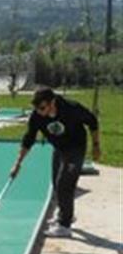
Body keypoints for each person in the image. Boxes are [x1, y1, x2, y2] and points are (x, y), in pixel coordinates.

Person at [10, 86, 100, 238]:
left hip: (76, 147)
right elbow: (29, 139)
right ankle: (66, 215)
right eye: (36, 107)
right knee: (55, 183)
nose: (39, 111)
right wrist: (17, 163)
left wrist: (96, 146)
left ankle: (64, 226)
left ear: (53, 102)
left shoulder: (71, 108)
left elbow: (92, 121)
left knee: (65, 183)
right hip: (59, 147)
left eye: (42, 107)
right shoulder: (37, 116)